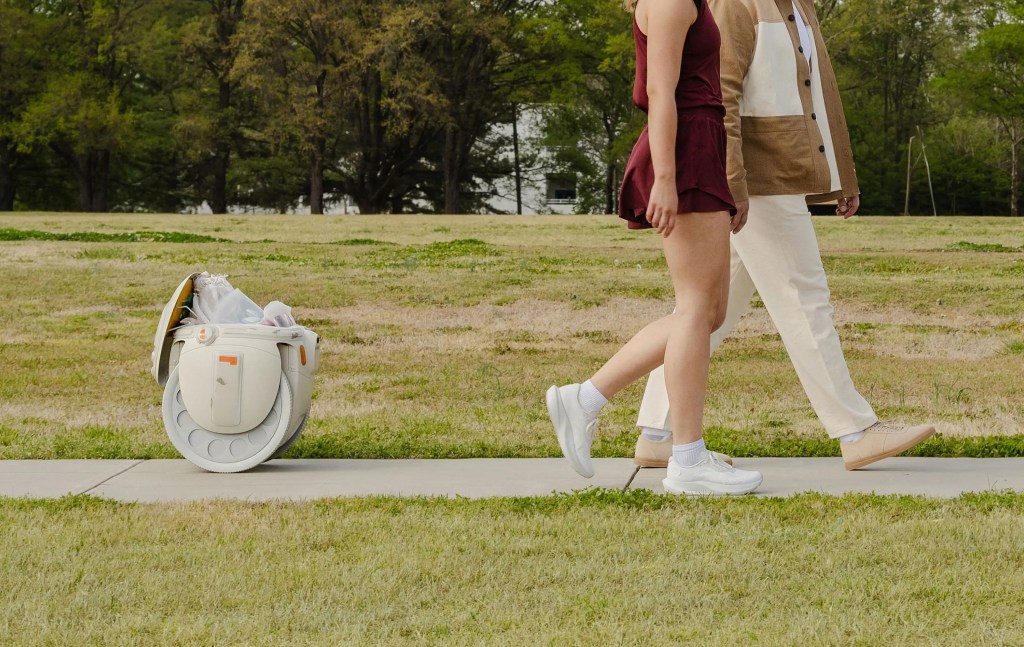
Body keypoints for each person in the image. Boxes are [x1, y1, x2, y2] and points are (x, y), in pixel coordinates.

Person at [630, 0, 935, 476]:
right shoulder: (737, 3)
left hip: (777, 176)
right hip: (756, 179)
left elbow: (817, 96)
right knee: (804, 297)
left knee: (710, 311)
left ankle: (657, 433)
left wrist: (842, 176)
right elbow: (721, 92)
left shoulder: (798, 6)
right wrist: (733, 182)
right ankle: (855, 430)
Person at [546, 0, 763, 495]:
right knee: (695, 309)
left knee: (707, 312)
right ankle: (687, 460)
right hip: (684, 152)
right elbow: (660, 92)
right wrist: (666, 179)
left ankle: (584, 399)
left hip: (700, 146)